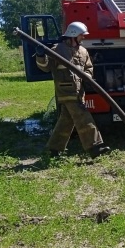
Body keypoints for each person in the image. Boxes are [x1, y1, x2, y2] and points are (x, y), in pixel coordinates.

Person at [36, 21, 111, 158]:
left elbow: (89, 68)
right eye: (82, 35)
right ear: (73, 35)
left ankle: (53, 149)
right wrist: (41, 56)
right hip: (65, 92)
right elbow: (45, 67)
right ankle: (95, 147)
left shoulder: (83, 51)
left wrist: (87, 76)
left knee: (66, 120)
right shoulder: (57, 49)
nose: (84, 38)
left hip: (79, 92)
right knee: (83, 117)